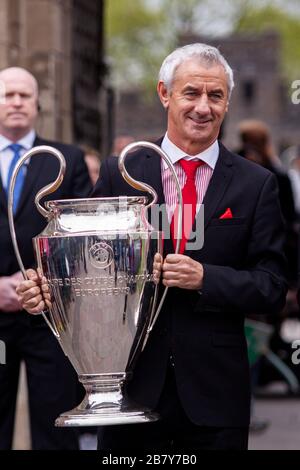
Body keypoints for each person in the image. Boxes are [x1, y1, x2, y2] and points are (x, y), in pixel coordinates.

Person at [17, 44, 287, 450]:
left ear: (228, 102)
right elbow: (85, 264)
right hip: (129, 390)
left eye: (215, 96)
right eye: (190, 93)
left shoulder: (255, 184)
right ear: (165, 93)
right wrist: (47, 292)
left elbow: (272, 287)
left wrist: (205, 278)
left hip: (215, 400)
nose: (203, 107)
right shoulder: (122, 172)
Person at [0, 67, 92, 449]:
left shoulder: (65, 160)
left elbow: (82, 235)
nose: (17, 102)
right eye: (8, 95)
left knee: (55, 423)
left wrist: (41, 282)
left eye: (25, 95)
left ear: (38, 104)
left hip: (50, 317)